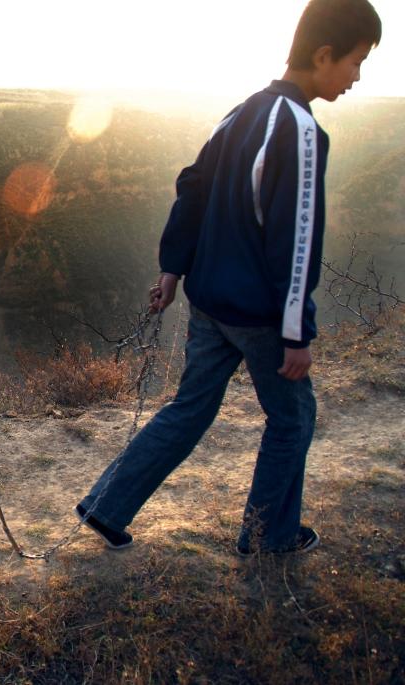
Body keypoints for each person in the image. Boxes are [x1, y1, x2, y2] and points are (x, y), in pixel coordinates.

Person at [75, 0, 382, 555]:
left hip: (209, 303)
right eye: (357, 62)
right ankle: (269, 538)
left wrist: (173, 268)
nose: (357, 77)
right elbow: (297, 241)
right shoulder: (302, 131)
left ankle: (107, 507)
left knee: (190, 407)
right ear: (324, 54)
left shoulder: (239, 114)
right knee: (293, 419)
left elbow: (192, 188)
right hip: (260, 316)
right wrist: (297, 332)